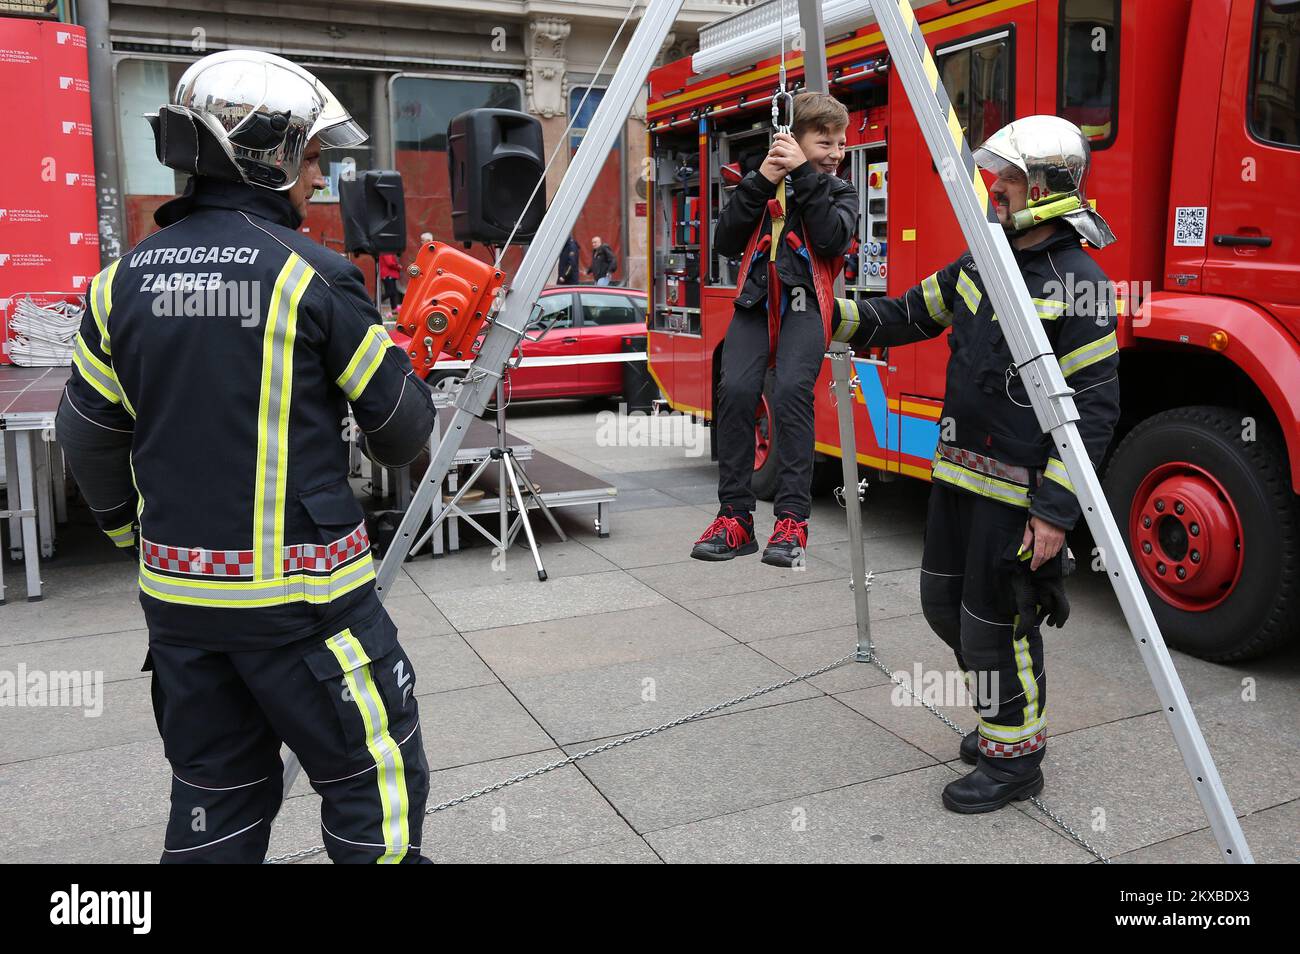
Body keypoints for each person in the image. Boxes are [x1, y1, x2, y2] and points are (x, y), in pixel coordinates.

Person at [56, 50, 438, 862]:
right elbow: (403, 433)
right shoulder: (315, 276)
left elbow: (87, 437)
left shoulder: (116, 284)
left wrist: (128, 536)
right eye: (311, 157)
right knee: (376, 785)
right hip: (310, 613)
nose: (319, 177)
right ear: (261, 152)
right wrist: (399, 359)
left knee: (214, 802)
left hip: (181, 615)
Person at [827, 115, 1120, 812]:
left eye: (1010, 178)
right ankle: (1002, 720)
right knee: (944, 608)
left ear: (1047, 186)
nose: (996, 187)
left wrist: (1055, 513)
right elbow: (904, 315)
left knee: (997, 623)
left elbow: (1096, 409)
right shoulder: (982, 262)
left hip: (1019, 495)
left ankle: (1016, 758)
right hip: (956, 475)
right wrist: (822, 313)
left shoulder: (1080, 281)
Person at [690, 91, 857, 567]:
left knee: (789, 394)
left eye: (840, 144)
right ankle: (736, 519)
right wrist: (763, 179)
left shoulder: (839, 191)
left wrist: (805, 171)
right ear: (793, 139)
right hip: (755, 301)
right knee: (738, 391)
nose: (837, 153)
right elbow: (724, 242)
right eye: (825, 142)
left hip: (806, 304)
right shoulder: (760, 185)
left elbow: (830, 238)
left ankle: (791, 523)